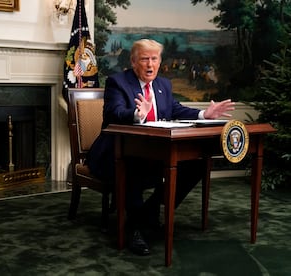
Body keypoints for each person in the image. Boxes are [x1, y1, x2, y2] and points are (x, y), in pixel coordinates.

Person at [86, 39, 235, 256]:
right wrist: (138, 115)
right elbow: (113, 114)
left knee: (196, 165)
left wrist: (204, 114)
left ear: (159, 61)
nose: (150, 64)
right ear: (134, 61)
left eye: (154, 59)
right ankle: (136, 230)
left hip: (155, 154)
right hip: (114, 153)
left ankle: (148, 212)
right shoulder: (117, 82)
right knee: (133, 165)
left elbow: (175, 109)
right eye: (145, 59)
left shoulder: (163, 84)